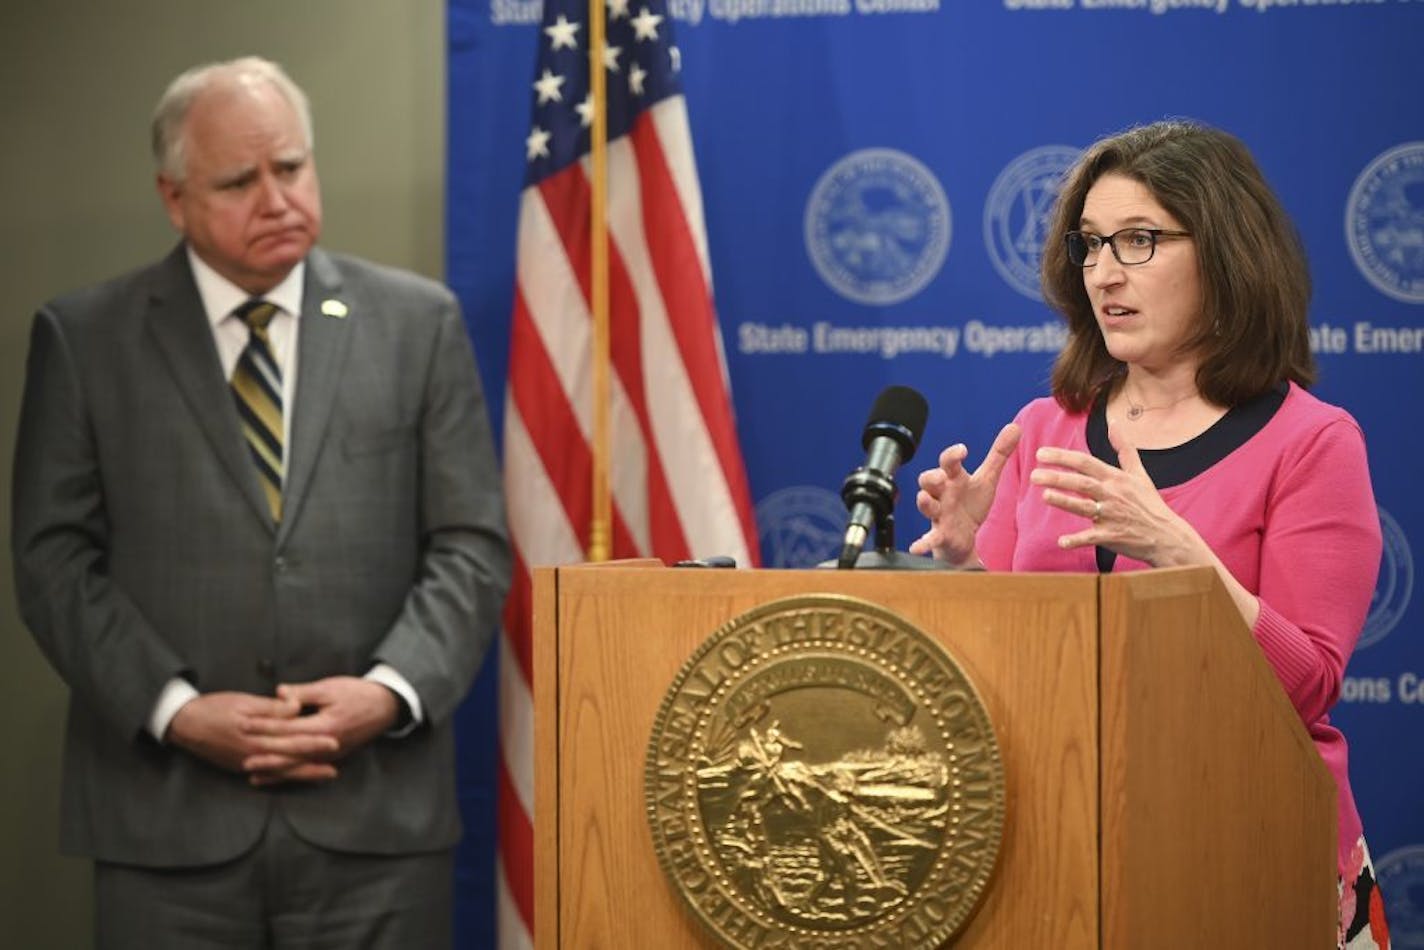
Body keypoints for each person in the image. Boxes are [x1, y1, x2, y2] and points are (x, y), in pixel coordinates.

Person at [11, 57, 510, 948]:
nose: (276, 198)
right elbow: (53, 562)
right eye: (240, 181)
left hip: (378, 831)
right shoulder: (84, 339)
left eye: (291, 167)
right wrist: (174, 709)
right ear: (174, 198)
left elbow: (470, 545)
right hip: (165, 832)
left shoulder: (417, 324)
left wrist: (388, 694)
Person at [909, 120, 1389, 949]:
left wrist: (1180, 553)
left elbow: (1307, 686)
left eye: (1139, 241)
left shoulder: (1312, 442)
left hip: (1249, 840)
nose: (1103, 273)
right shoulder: (1045, 428)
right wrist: (966, 567)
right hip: (1059, 837)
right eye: (1090, 244)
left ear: (1227, 254)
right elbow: (1020, 666)